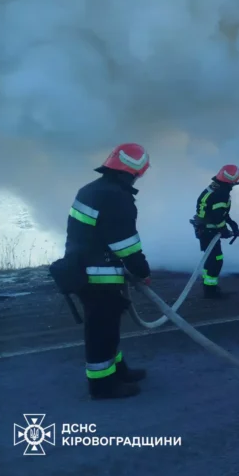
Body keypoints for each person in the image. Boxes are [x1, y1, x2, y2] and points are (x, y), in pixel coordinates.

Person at [62, 143, 152, 400]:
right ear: (135, 172)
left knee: (107, 327)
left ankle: (117, 371)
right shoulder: (116, 197)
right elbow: (126, 244)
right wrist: (141, 271)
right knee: (101, 331)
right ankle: (103, 386)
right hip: (98, 276)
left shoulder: (91, 189)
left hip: (83, 271)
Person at [192, 164, 239, 299]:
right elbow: (216, 217)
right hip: (209, 231)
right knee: (216, 260)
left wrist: (232, 224)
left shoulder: (214, 188)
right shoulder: (222, 194)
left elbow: (220, 213)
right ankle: (210, 291)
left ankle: (208, 286)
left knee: (211, 258)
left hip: (204, 230)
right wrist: (224, 230)